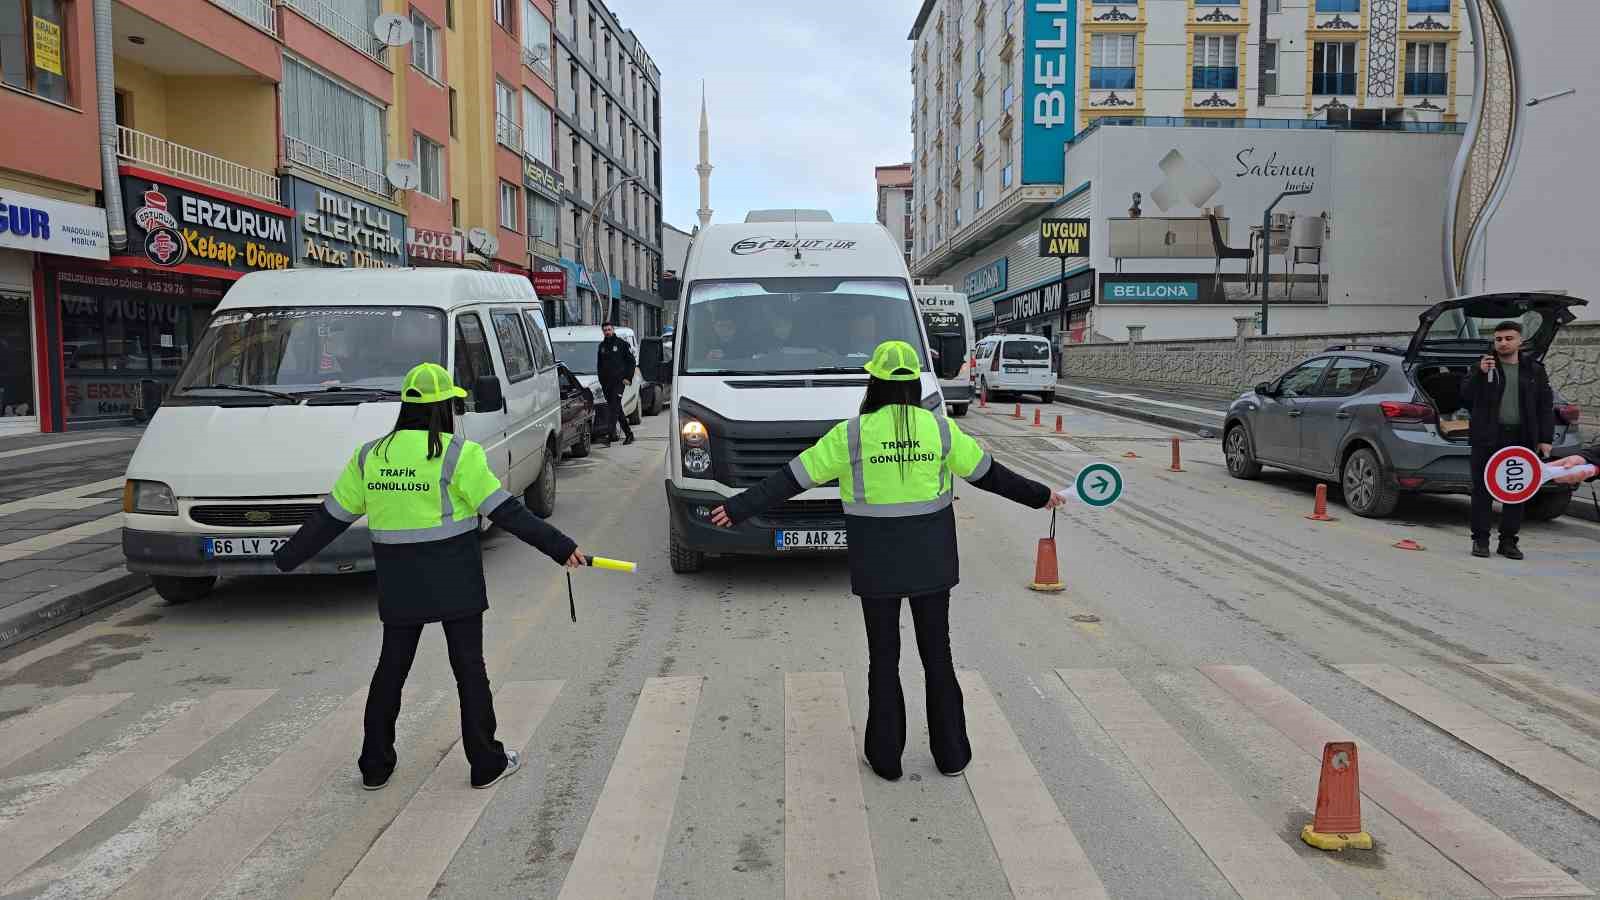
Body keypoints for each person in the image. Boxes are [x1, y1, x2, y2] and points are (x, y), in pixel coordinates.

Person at [710, 341, 1064, 780]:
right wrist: (1041, 496)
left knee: (884, 658)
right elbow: (990, 475)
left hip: (876, 563)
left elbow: (791, 478)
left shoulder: (853, 433)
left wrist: (738, 507)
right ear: (915, 383)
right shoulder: (939, 430)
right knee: (938, 657)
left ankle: (886, 759)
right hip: (932, 563)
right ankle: (951, 756)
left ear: (873, 381)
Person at [273, 362, 585, 790]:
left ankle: (375, 765)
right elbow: (507, 512)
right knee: (469, 671)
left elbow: (329, 519)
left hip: (401, 583)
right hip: (455, 578)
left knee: (391, 671)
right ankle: (485, 764)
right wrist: (562, 547)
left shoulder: (371, 457)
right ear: (443, 409)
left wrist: (286, 558)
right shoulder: (458, 454)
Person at [1460, 320, 1554, 560]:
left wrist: (1545, 438)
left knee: (1516, 490)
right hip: (1487, 437)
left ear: (1520, 341)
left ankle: (1508, 541)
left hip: (1521, 437)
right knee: (1482, 490)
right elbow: (1465, 397)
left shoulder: (1534, 369)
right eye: (1498, 339)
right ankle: (1480, 540)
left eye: (1508, 338)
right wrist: (1479, 374)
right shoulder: (1483, 367)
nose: (1503, 343)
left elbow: (1545, 405)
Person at [596, 322, 635, 446]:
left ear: (613, 330)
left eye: (609, 329)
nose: (607, 332)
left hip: (619, 382)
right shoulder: (601, 346)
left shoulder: (622, 344)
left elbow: (631, 362)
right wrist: (601, 380)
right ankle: (629, 434)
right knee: (617, 409)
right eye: (605, 330)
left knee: (614, 408)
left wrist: (628, 377)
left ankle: (609, 436)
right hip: (606, 384)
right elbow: (600, 365)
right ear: (603, 332)